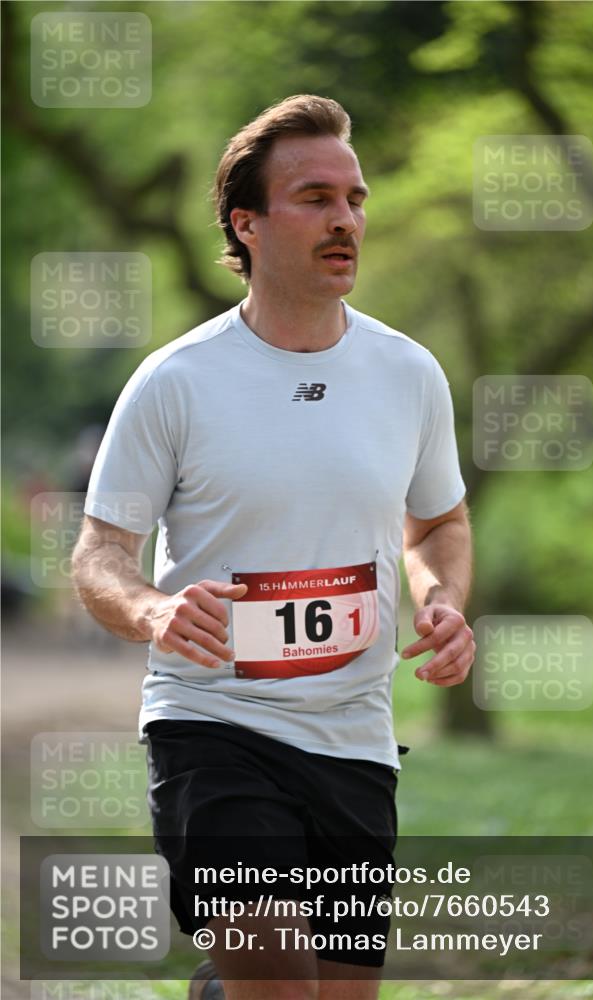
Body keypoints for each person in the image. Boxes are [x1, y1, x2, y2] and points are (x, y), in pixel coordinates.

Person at [72, 94, 474, 1000]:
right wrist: (152, 608)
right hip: (212, 725)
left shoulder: (407, 374)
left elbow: (438, 524)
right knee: (280, 990)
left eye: (355, 198)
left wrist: (441, 598)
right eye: (315, 197)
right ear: (245, 224)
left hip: (354, 737)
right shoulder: (176, 382)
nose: (344, 220)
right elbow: (99, 554)